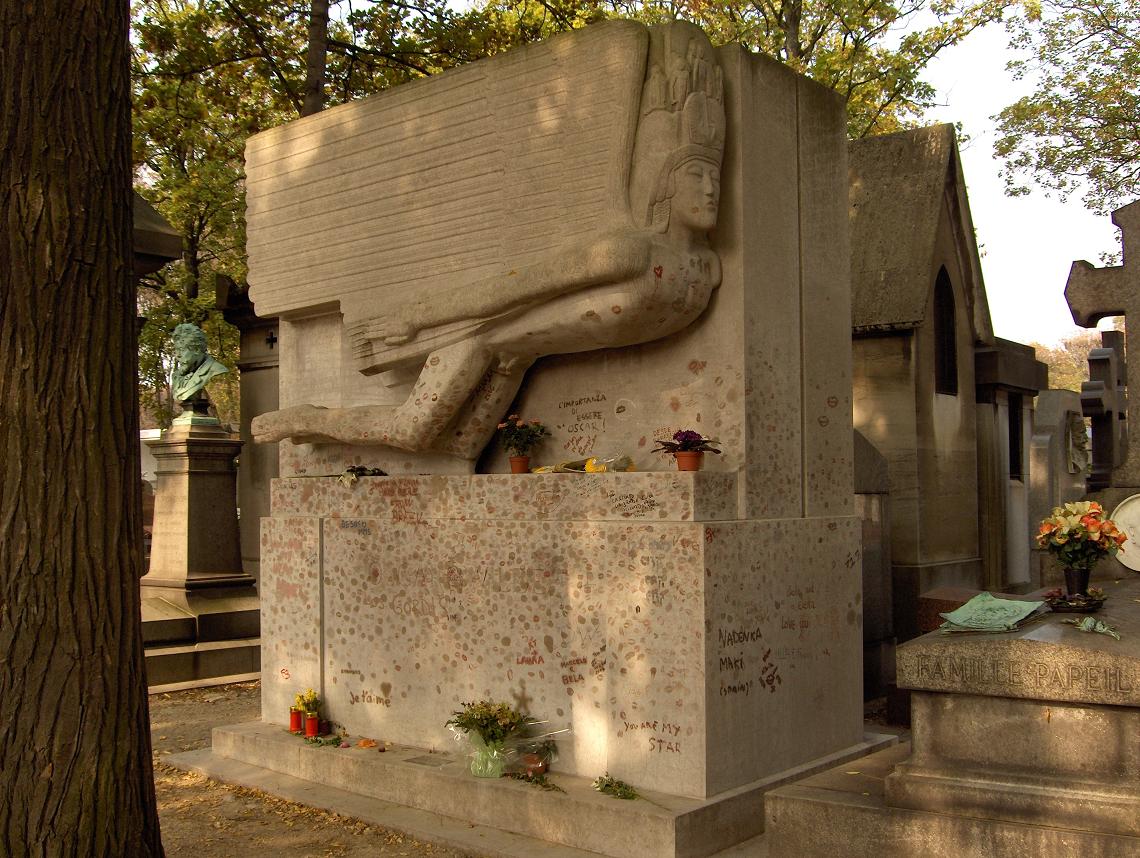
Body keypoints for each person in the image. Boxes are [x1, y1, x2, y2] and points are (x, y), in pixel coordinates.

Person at [252, 25, 724, 460]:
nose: (710, 189)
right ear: (664, 183)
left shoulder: (705, 271)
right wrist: (412, 319)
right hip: (475, 335)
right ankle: (308, 419)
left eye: (715, 176)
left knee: (460, 452)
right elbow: (513, 289)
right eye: (696, 174)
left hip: (514, 356)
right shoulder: (629, 252)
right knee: (412, 432)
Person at [171, 323, 229, 404]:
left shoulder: (216, 370)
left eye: (182, 350)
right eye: (176, 350)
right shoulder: (177, 376)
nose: (178, 355)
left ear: (197, 349)